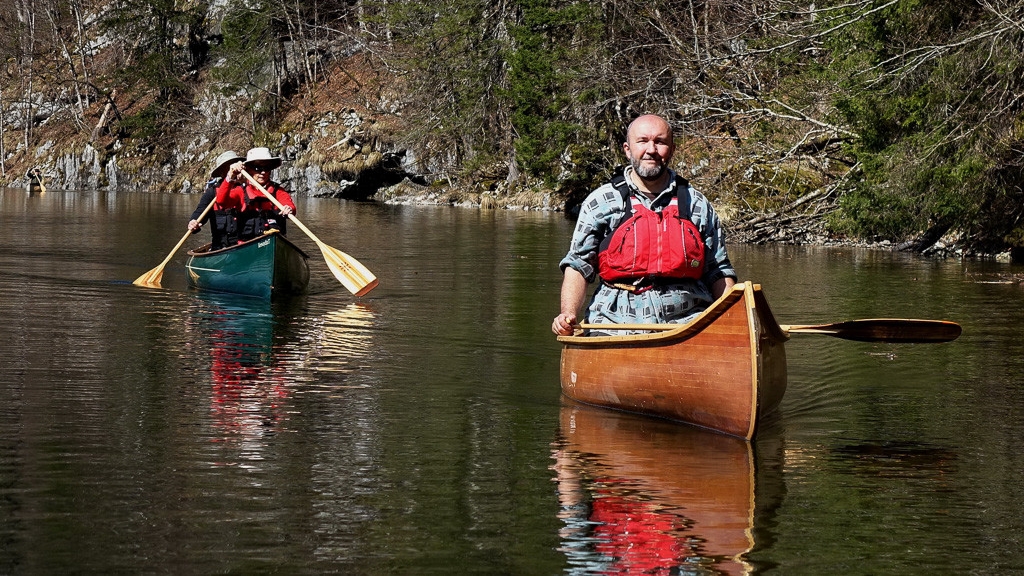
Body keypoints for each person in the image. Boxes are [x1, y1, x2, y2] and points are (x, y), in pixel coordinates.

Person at [552, 114, 737, 336]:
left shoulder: (696, 204)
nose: (651, 149)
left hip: (690, 324)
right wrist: (567, 313)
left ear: (672, 149)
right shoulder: (600, 202)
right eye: (642, 141)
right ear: (627, 149)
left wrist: (735, 318)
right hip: (613, 325)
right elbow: (579, 265)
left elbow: (717, 270)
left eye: (660, 142)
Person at [215, 147, 297, 246]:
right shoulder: (241, 191)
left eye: (267, 168)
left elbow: (289, 204)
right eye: (258, 168)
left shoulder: (278, 191)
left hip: (275, 243)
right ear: (249, 170)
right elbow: (221, 201)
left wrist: (289, 208)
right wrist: (230, 176)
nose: (263, 172)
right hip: (247, 245)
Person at [187, 150, 244, 247]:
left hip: (244, 243)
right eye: (229, 168)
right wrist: (193, 222)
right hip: (220, 245)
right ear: (222, 173)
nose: (234, 171)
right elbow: (200, 211)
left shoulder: (247, 188)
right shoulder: (212, 193)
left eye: (235, 167)